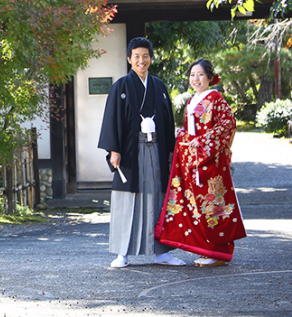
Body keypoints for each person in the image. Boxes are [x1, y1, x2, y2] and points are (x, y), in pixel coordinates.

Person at [98, 37, 185, 268]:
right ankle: (122, 253)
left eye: (145, 56)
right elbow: (111, 120)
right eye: (136, 56)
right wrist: (114, 150)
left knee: (159, 196)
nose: (141, 60)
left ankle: (162, 252)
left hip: (156, 148)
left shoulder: (159, 86)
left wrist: (169, 150)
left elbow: (168, 120)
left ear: (151, 59)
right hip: (130, 151)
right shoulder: (121, 87)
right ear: (129, 59)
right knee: (128, 199)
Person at [155, 59, 247, 266]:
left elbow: (227, 124)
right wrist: (183, 136)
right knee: (197, 205)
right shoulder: (192, 101)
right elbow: (192, 129)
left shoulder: (216, 98)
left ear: (210, 77)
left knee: (212, 204)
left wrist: (203, 141)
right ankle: (207, 249)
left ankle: (218, 251)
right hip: (194, 161)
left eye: (200, 75)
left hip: (211, 163)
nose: (195, 79)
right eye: (192, 75)